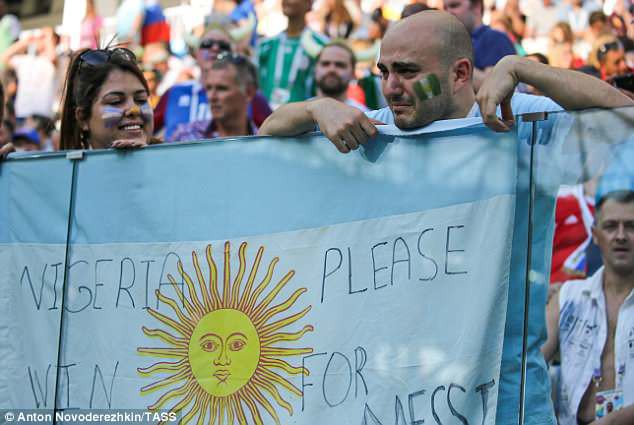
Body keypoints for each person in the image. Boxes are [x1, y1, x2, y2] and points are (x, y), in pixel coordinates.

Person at [259, 10, 632, 424]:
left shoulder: (516, 119)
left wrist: (523, 68)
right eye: (383, 72)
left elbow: (626, 121)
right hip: (394, 400)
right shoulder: (376, 130)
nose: (390, 88)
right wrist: (315, 108)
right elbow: (265, 137)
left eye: (407, 71)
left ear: (459, 73)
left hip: (507, 401)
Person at [543, 185, 634, 425]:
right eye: (611, 226)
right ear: (595, 234)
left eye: (631, 226)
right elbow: (530, 361)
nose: (621, 235)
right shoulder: (569, 296)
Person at [154, 26, 271, 141]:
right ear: (195, 53)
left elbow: (272, 131)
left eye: (223, 46)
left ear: (234, 52)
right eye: (207, 44)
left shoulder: (250, 95)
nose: (215, 48)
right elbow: (146, 129)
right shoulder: (174, 93)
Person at [59, 47, 154, 150]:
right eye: (115, 101)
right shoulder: (58, 166)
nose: (134, 110)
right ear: (83, 118)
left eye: (141, 100)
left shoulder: (172, 161)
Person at [256, 0, 329, 109]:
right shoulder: (267, 45)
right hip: (266, 119)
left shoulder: (322, 45)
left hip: (304, 119)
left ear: (309, 5)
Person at [170, 53, 259, 141]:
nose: (211, 97)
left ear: (248, 93)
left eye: (221, 88)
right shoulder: (185, 136)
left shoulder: (263, 142)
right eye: (208, 88)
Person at [444, 0, 515, 88]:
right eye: (445, 8)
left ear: (476, 6)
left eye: (454, 5)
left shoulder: (495, 38)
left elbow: (494, 87)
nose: (447, 13)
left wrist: (450, 59)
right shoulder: (452, 41)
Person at [314, 41, 368, 111]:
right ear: (315, 69)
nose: (332, 70)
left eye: (340, 65)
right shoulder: (297, 115)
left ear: (353, 73)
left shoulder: (366, 116)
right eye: (325, 64)